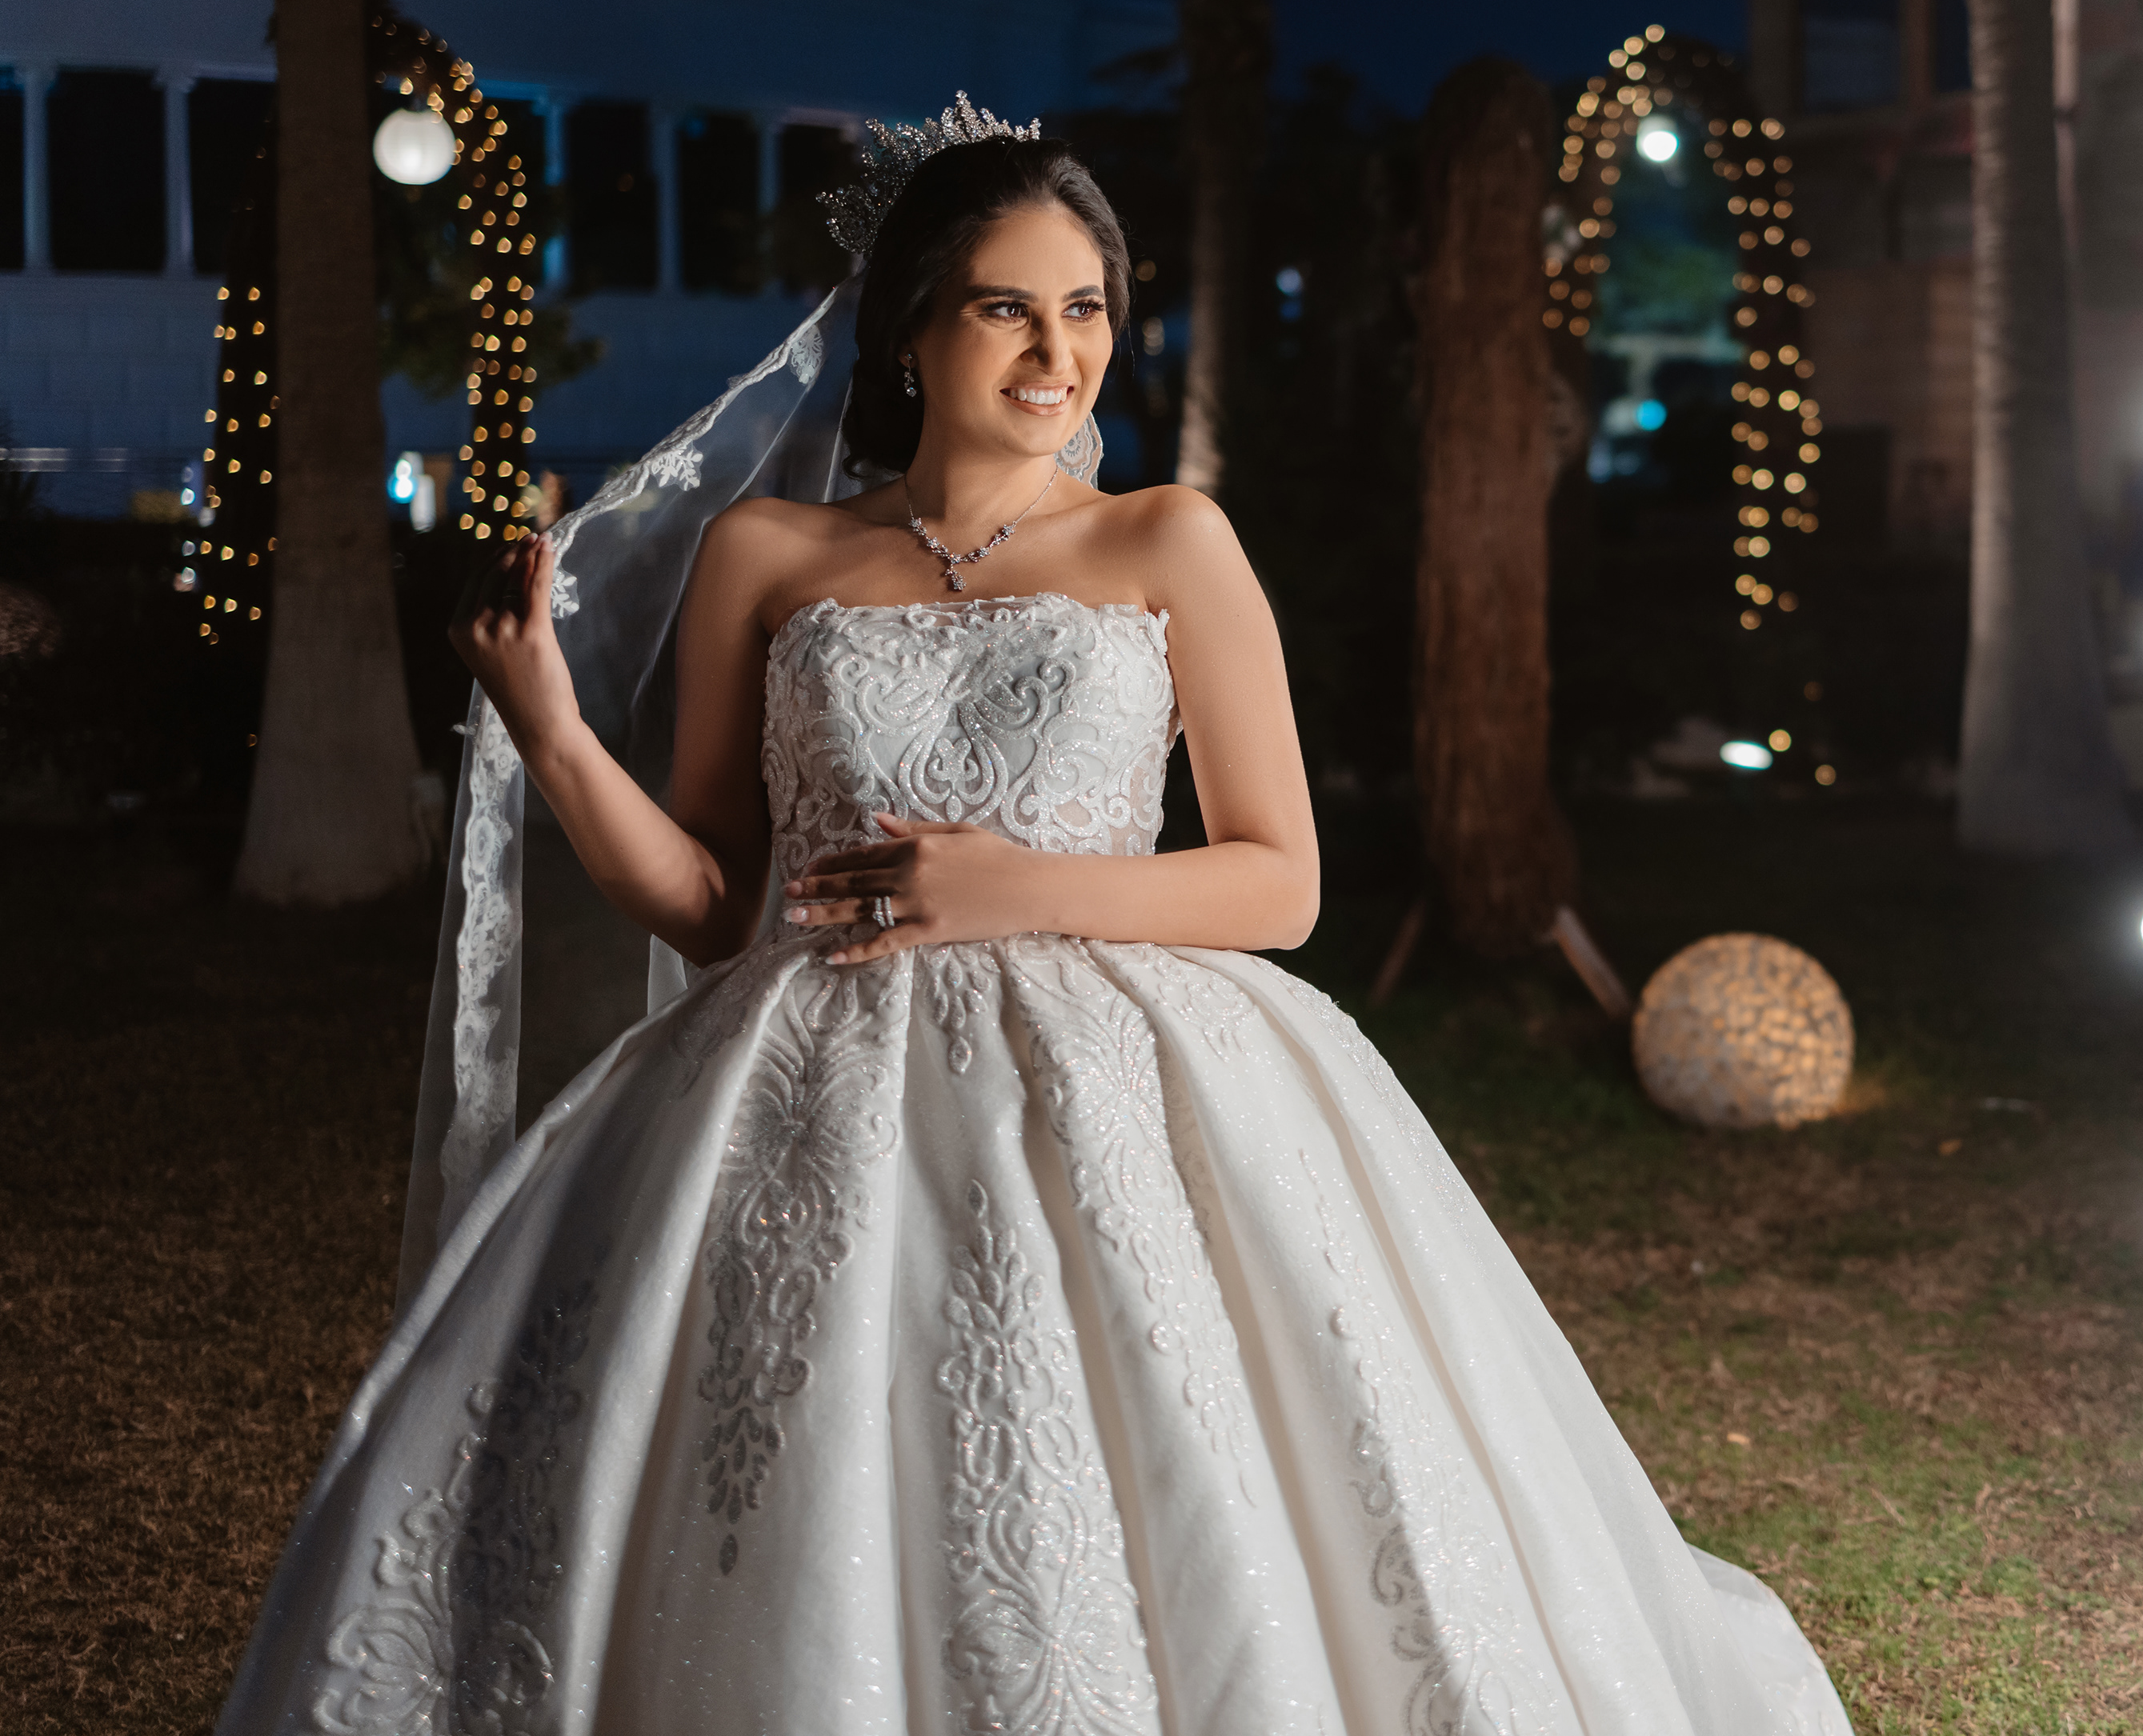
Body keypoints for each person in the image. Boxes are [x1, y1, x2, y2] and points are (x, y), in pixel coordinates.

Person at [218, 104, 1852, 1736]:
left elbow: (1279, 881)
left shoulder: (1168, 540)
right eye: (1006, 305)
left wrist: (1017, 890)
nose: (1053, 352)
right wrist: (554, 728)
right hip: (800, 1078)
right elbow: (712, 905)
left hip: (1129, 1074)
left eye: (1085, 310)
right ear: (916, 328)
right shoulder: (769, 554)